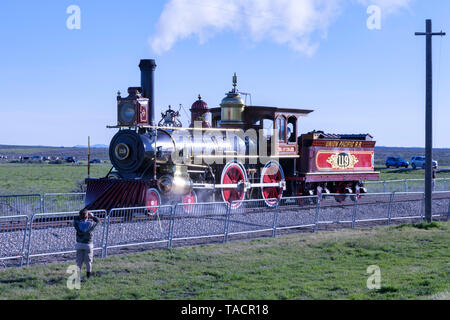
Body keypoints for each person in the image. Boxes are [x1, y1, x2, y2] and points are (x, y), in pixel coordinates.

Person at [73, 208, 100, 278]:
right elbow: (98, 221)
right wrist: (92, 216)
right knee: (88, 261)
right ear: (87, 216)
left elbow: (74, 219)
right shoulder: (90, 223)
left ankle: (78, 276)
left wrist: (81, 215)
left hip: (79, 244)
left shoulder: (77, 223)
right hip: (88, 244)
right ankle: (88, 276)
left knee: (79, 262)